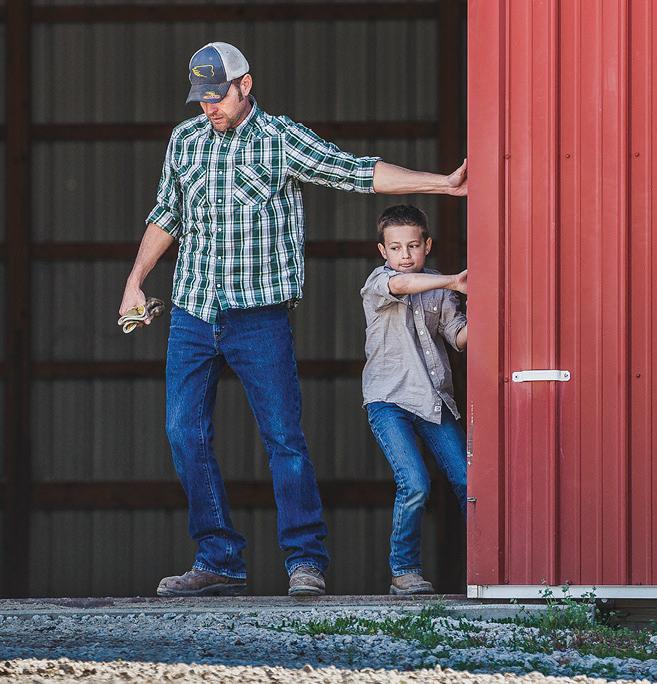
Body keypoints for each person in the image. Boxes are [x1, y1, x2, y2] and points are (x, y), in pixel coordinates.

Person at [118, 42, 466, 597]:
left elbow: (354, 172)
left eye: (218, 95)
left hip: (259, 317)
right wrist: (135, 280)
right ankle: (218, 560)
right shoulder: (185, 141)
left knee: (283, 437)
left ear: (245, 85)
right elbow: (166, 215)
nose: (209, 107)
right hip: (192, 312)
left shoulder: (280, 139)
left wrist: (442, 183)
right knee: (184, 434)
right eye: (201, 98)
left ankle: (305, 560)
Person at [359, 205, 468, 595]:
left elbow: (457, 336)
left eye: (413, 246)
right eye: (395, 248)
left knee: (469, 482)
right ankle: (404, 571)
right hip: (389, 400)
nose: (404, 255)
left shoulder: (442, 287)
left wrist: (486, 310)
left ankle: (490, 567)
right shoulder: (378, 281)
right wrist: (456, 280)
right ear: (382, 251)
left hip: (433, 400)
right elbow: (401, 285)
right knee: (415, 482)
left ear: (427, 245)